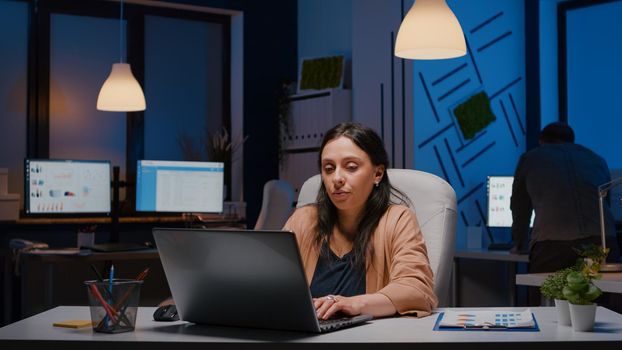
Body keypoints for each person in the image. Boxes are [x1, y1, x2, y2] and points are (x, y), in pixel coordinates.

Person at [283, 122, 437, 320]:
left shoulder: (398, 219)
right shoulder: (304, 220)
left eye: (351, 167)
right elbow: (271, 281)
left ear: (378, 173)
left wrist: (355, 303)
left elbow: (416, 289)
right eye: (329, 169)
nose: (336, 178)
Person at [510, 122, 620, 304]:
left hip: (553, 244)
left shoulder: (531, 158)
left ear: (542, 141)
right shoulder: (596, 158)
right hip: (603, 243)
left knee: (547, 308)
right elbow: (604, 203)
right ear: (571, 141)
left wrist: (520, 243)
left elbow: (520, 207)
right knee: (602, 311)